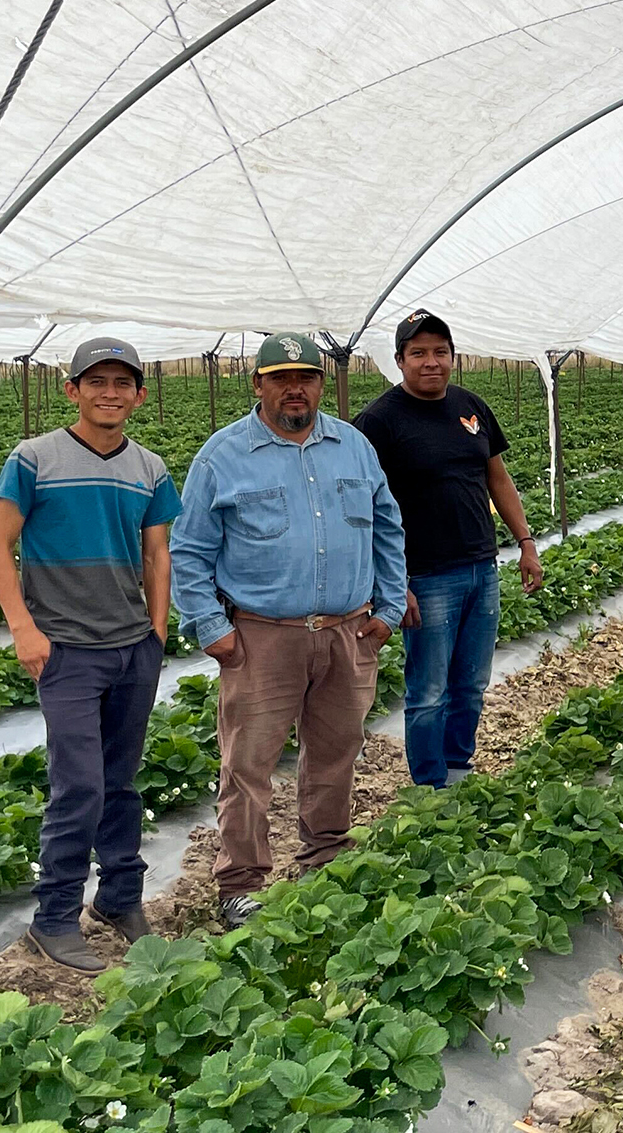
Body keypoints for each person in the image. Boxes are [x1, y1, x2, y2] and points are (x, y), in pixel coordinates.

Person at [171, 332, 407, 926]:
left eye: (306, 376)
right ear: (258, 384)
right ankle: (239, 884)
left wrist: (387, 609)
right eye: (279, 377)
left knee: (336, 752)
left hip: (348, 632)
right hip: (261, 635)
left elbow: (387, 527)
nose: (294, 388)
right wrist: (209, 627)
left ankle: (325, 856)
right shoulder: (221, 456)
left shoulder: (352, 445)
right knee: (248, 763)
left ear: (321, 384)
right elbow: (190, 549)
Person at [0, 338, 180, 973]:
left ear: (139, 396)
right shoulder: (33, 458)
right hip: (66, 650)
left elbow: (157, 554)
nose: (110, 393)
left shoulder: (150, 468)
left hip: (132, 649)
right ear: (72, 391)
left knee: (121, 781)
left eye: (123, 383)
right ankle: (54, 916)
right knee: (79, 786)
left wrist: (155, 632)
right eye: (96, 382)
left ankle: (120, 898)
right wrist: (23, 627)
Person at [354, 310, 541, 789]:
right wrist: (390, 586)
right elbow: (361, 512)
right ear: (399, 360)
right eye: (418, 353)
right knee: (428, 691)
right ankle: (429, 786)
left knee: (471, 684)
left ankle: (458, 768)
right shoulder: (378, 422)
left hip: (482, 566)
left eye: (440, 351)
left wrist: (525, 542)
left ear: (452, 357)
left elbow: (497, 477)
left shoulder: (470, 405)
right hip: (425, 577)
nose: (430, 362)